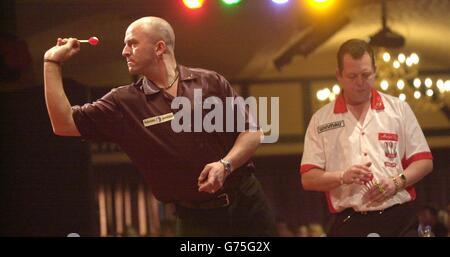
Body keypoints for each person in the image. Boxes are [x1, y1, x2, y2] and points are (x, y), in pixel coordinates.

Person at [43, 16, 276, 236]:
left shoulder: (209, 81)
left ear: (159, 48)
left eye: (132, 44)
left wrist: (225, 165)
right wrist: (51, 61)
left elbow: (252, 132)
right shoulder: (124, 102)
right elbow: (64, 124)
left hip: (248, 201)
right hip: (195, 217)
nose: (124, 51)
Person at [300, 39, 433, 237]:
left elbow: (424, 162)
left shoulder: (398, 109)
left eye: (366, 75)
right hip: (350, 221)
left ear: (375, 71)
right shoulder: (321, 120)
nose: (360, 83)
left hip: (399, 218)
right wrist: (342, 176)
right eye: (352, 76)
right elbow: (308, 179)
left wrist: (396, 182)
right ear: (339, 75)